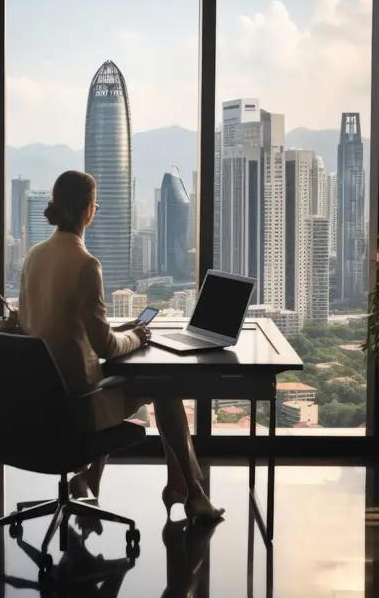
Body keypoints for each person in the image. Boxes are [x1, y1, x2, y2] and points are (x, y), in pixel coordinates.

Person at [17, 170, 224, 523]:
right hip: (78, 406)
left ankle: (91, 480)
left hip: (40, 402)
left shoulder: (35, 255)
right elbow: (108, 348)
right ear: (89, 211)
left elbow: (39, 322)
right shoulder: (86, 264)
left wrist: (118, 331)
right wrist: (137, 336)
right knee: (165, 389)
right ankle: (192, 492)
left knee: (123, 385)